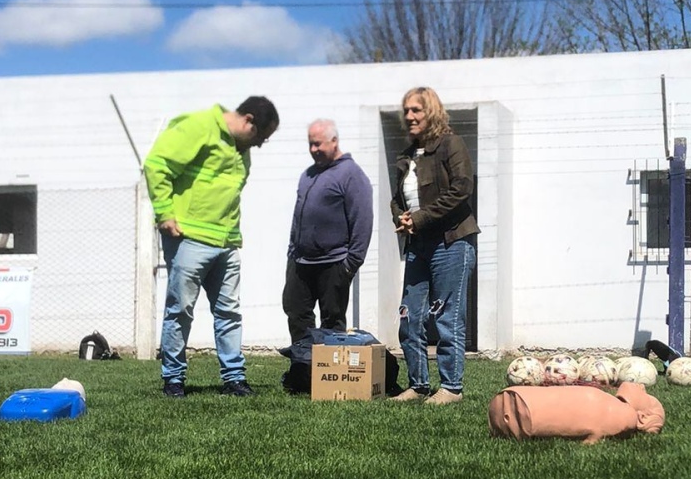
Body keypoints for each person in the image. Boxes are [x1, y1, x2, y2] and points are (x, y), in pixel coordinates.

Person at [143, 96, 279, 398]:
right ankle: (174, 379)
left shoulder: (240, 148)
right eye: (260, 139)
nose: (258, 146)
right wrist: (164, 212)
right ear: (248, 121)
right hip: (189, 238)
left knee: (229, 312)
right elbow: (156, 165)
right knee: (180, 311)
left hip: (227, 242)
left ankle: (234, 378)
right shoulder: (199, 126)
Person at [388, 86, 479, 405]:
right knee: (409, 315)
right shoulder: (407, 155)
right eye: (407, 110)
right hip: (418, 244)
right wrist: (402, 217)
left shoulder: (450, 144)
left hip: (451, 241)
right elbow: (396, 200)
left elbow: (461, 189)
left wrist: (422, 217)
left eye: (417, 110)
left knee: (445, 315)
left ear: (432, 112)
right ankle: (418, 384)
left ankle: (451, 387)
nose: (409, 116)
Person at [282, 118, 374, 345]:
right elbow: (297, 217)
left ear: (334, 141)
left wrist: (351, 264)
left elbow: (362, 221)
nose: (314, 150)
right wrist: (292, 252)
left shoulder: (351, 174)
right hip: (301, 262)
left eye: (318, 144)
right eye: (310, 144)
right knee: (296, 312)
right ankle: (304, 370)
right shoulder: (308, 175)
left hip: (333, 263)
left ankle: (329, 376)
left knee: (332, 322)